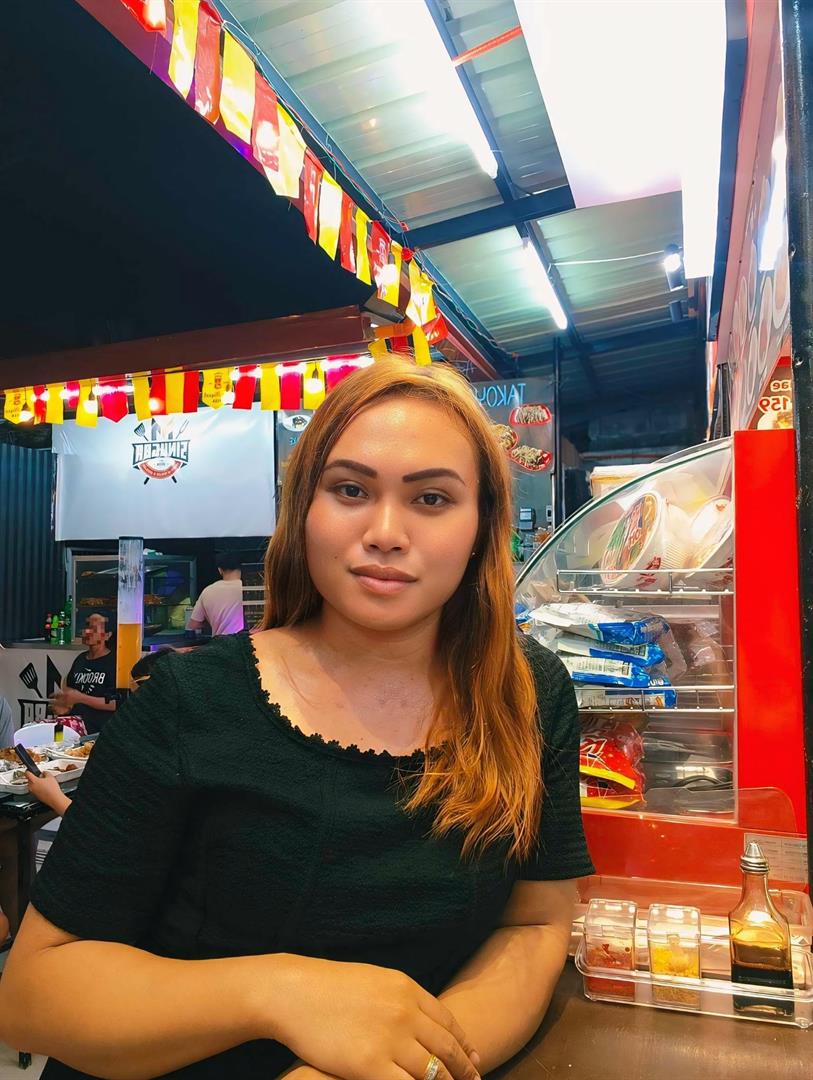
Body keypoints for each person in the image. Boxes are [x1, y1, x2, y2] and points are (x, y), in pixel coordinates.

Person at [0, 356, 593, 1080]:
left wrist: (410, 1064)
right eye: (350, 490)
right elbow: (33, 994)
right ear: (303, 511)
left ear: (482, 526)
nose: (385, 531)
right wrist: (279, 992)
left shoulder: (528, 693)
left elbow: (535, 923)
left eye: (432, 498)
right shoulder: (187, 701)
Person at [48, 614, 116, 736]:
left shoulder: (114, 662)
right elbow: (70, 692)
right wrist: (64, 705)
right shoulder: (80, 659)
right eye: (87, 627)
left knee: (52, 734)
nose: (88, 632)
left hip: (99, 725)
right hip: (76, 718)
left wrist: (81, 698)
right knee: (35, 729)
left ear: (107, 635)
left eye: (94, 629)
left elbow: (115, 703)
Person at [186, 552, 245, 637]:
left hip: (218, 643)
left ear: (220, 570)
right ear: (241, 568)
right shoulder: (248, 589)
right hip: (247, 642)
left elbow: (193, 624)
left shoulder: (207, 591)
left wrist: (213, 622)